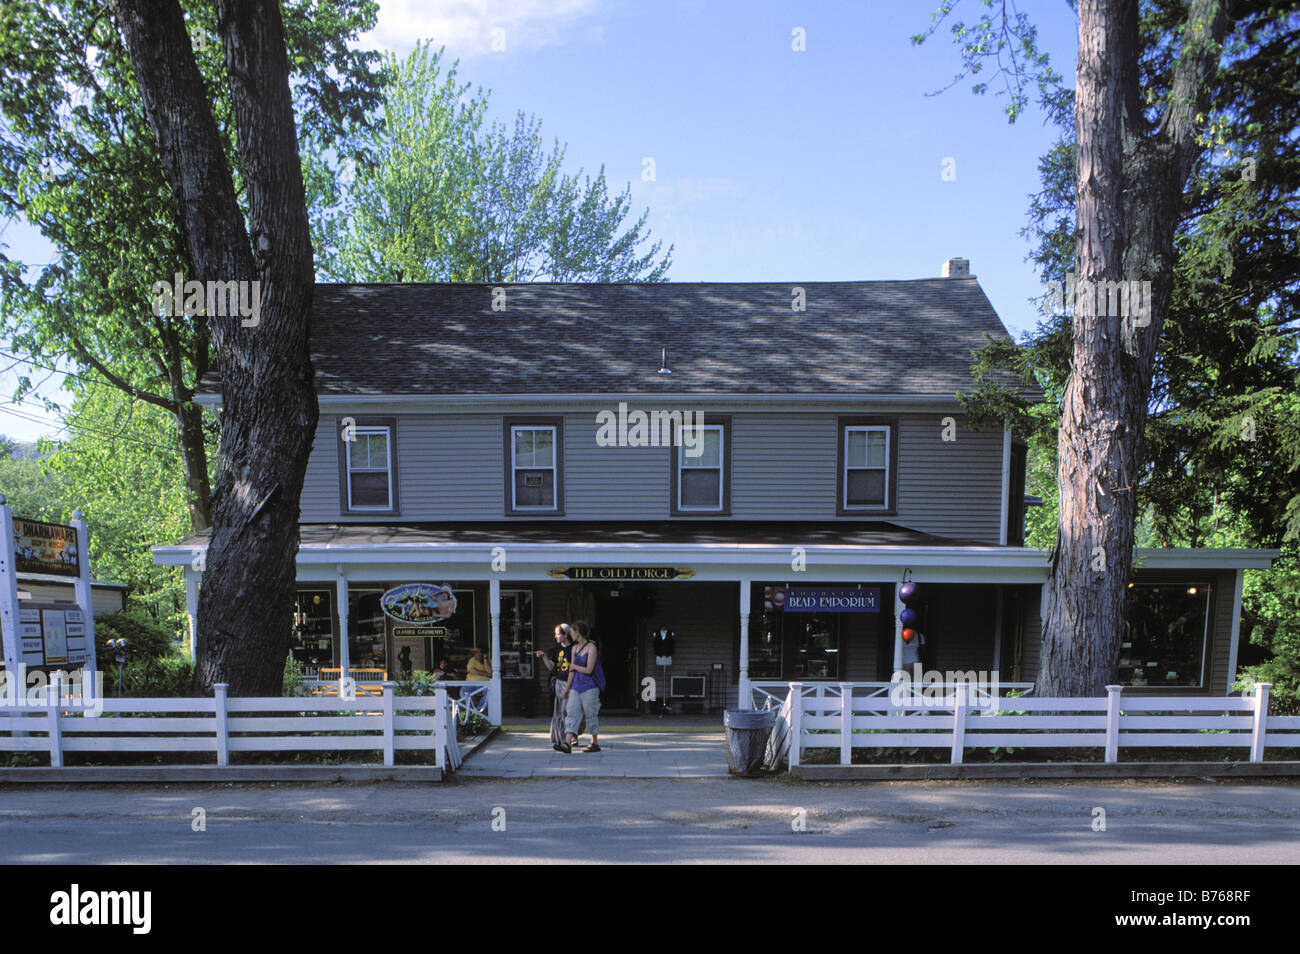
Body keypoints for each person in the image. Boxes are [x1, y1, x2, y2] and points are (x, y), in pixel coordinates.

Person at [563, 621, 603, 753]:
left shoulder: (592, 647)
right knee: (571, 712)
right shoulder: (574, 648)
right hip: (576, 686)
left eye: (573, 632)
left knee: (590, 714)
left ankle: (594, 742)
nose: (571, 635)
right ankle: (567, 743)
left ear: (579, 632)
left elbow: (589, 669)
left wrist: (574, 666)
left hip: (589, 686)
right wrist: (567, 688)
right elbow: (571, 671)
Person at [535, 622, 574, 752]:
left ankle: (570, 737)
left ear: (565, 635)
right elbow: (551, 667)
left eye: (558, 634)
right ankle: (561, 739)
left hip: (571, 683)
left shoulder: (574, 648)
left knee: (568, 711)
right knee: (559, 711)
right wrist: (544, 657)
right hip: (559, 682)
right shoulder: (557, 649)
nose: (556, 636)